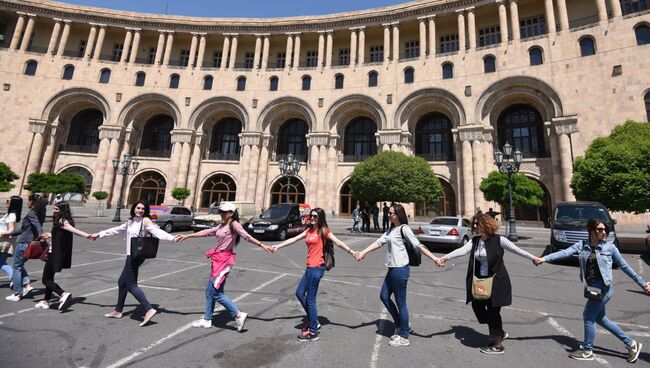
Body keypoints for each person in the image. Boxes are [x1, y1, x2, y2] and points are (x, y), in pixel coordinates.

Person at [535, 219, 650, 363]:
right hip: (592, 288)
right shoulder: (582, 245)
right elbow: (565, 252)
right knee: (600, 319)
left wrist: (643, 283)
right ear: (591, 231)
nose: (603, 232)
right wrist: (544, 258)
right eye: (599, 229)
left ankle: (588, 350)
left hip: (604, 288)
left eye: (604, 230)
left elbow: (626, 267)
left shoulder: (609, 248)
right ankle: (632, 344)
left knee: (588, 316)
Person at [437, 213, 543, 355]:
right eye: (474, 224)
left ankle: (498, 345)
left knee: (493, 312)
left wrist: (534, 258)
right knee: (477, 305)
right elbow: (462, 250)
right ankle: (498, 331)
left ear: (486, 224)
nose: (475, 226)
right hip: (481, 281)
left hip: (497, 281)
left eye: (477, 223)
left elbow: (517, 250)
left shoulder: (499, 240)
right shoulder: (475, 241)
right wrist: (445, 257)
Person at [175, 202, 274, 332]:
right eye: (220, 211)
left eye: (224, 212)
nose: (221, 213)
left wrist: (263, 245)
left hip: (224, 261)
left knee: (216, 293)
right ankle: (207, 319)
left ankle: (238, 314)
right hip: (217, 260)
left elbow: (246, 236)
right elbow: (208, 231)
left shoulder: (234, 225)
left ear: (231, 213)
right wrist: (187, 236)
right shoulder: (222, 225)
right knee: (210, 291)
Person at [356, 204, 441, 347]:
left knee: (401, 303)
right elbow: (379, 242)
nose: (389, 215)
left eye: (391, 213)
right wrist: (363, 252)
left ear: (398, 215)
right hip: (392, 269)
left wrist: (435, 259)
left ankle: (404, 336)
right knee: (383, 296)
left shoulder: (404, 229)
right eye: (388, 213)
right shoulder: (391, 229)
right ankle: (400, 323)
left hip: (400, 270)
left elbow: (418, 246)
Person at [271, 207, 358, 342]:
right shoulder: (309, 230)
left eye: (315, 217)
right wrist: (278, 246)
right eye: (311, 216)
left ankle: (313, 331)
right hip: (309, 268)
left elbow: (338, 242)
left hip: (317, 268)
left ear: (320, 218)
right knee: (299, 293)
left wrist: (352, 252)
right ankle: (313, 320)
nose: (312, 218)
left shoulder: (324, 231)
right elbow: (293, 239)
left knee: (311, 299)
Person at [88, 200, 176, 327]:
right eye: (138, 208)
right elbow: (116, 230)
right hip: (131, 254)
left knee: (131, 284)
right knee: (121, 282)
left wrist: (171, 238)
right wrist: (99, 234)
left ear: (146, 210)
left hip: (136, 255)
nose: (140, 210)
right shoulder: (131, 221)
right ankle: (118, 311)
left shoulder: (145, 221)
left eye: (142, 209)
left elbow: (156, 232)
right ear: (134, 208)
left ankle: (148, 308)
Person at [36, 202, 90, 311]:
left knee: (45, 280)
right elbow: (60, 234)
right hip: (54, 252)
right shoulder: (61, 221)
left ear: (63, 210)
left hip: (54, 254)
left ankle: (63, 293)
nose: (54, 210)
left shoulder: (63, 221)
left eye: (57, 209)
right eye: (54, 208)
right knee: (50, 278)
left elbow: (75, 231)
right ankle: (46, 301)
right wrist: (50, 234)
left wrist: (88, 235)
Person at [1, 193, 46, 301]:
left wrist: (41, 235)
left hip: (24, 243)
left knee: (16, 267)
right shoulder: (41, 212)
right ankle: (27, 284)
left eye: (28, 201)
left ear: (32, 202)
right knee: (19, 265)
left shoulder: (32, 213)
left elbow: (37, 226)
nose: (27, 203)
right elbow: (24, 229)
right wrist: (11, 234)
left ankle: (17, 293)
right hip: (28, 242)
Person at [0, 196, 23, 283]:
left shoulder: (12, 215)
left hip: (5, 242)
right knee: (1, 262)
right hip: (3, 241)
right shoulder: (9, 214)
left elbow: (11, 230)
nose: (6, 202)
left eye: (8, 201)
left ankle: (15, 278)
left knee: (1, 262)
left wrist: (1, 233)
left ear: (13, 203)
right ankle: (16, 279)